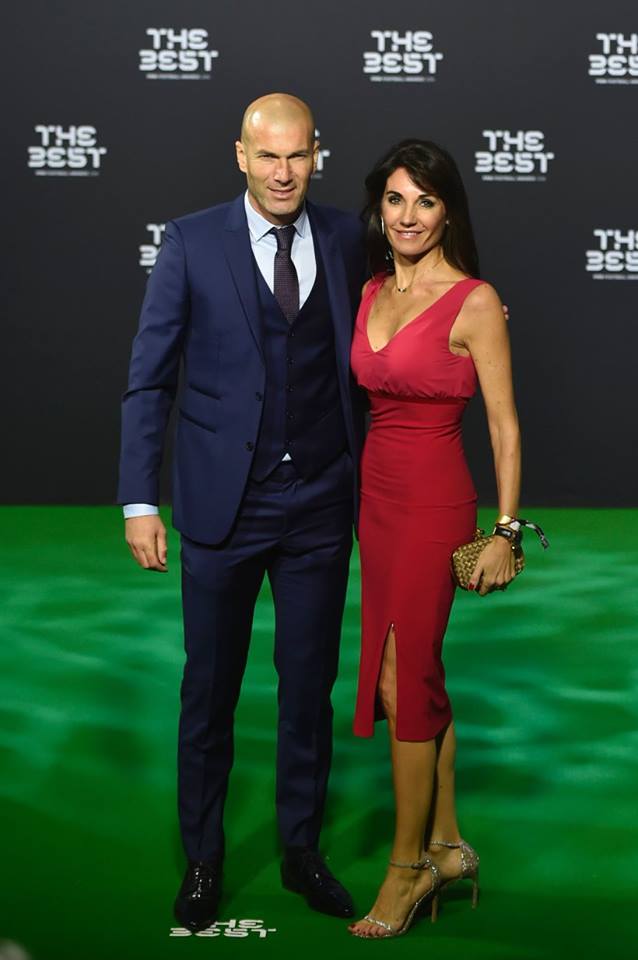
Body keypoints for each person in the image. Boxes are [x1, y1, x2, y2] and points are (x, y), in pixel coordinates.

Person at [117, 93, 367, 931]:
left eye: (297, 155)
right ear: (241, 156)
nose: (283, 172)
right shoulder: (190, 242)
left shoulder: (348, 237)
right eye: (268, 156)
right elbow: (150, 377)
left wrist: (475, 309)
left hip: (320, 503)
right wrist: (140, 499)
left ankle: (300, 851)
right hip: (223, 504)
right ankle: (203, 859)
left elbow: (413, 293)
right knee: (209, 690)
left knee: (308, 690)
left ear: (316, 154)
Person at [348, 139, 521, 938]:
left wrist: (506, 530)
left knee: (400, 675)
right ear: (379, 209)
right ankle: (448, 847)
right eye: (395, 199)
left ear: (449, 210)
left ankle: (407, 866)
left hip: (433, 505)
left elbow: (504, 426)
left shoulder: (475, 301)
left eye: (425, 200)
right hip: (375, 505)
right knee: (410, 676)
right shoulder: (370, 290)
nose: (409, 215)